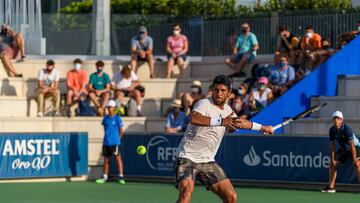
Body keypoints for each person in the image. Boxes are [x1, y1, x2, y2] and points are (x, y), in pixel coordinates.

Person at [174, 75, 274, 203]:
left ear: (229, 93)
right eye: (216, 90)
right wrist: (221, 121)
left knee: (231, 197)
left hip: (207, 160)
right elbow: (194, 119)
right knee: (186, 194)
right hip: (187, 157)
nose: (219, 93)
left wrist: (263, 127)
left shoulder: (228, 110)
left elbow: (240, 123)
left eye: (223, 91)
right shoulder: (203, 103)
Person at [321, 111, 360, 193]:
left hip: (356, 147)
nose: (336, 120)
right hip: (344, 149)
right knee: (332, 163)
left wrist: (354, 160)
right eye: (334, 118)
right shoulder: (332, 130)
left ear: (342, 120)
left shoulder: (347, 129)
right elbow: (332, 146)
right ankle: (331, 187)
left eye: (338, 118)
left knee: (357, 165)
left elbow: (352, 146)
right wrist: (332, 159)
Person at [96, 100, 125, 185]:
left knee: (118, 159)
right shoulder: (105, 118)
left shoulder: (117, 118)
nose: (109, 109)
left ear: (114, 108)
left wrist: (117, 140)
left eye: (111, 107)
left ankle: (121, 176)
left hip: (115, 142)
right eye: (108, 107)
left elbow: (121, 131)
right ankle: (105, 177)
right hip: (106, 142)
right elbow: (105, 129)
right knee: (106, 160)